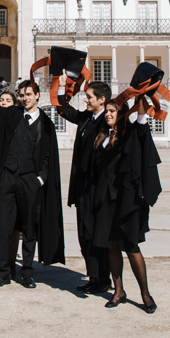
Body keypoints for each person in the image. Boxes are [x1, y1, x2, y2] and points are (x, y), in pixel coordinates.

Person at [0, 76, 65, 289]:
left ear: (37, 96)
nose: (25, 98)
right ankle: (3, 273)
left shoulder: (46, 123)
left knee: (29, 228)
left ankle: (27, 273)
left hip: (29, 180)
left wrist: (40, 179)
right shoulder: (12, 114)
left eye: (28, 95)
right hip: (7, 177)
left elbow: (47, 156)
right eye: (22, 95)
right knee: (4, 227)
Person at [91, 100, 160, 313]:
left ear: (121, 114)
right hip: (106, 200)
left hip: (126, 200)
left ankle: (145, 294)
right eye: (107, 111)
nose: (108, 114)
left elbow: (142, 120)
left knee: (131, 247)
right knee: (111, 245)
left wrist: (141, 96)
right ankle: (118, 291)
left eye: (112, 111)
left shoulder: (130, 134)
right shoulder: (102, 137)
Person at [59, 82, 113, 294]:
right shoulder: (86, 118)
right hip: (82, 186)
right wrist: (60, 85)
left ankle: (103, 277)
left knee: (96, 232)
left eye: (90, 97)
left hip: (97, 187)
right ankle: (93, 276)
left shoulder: (107, 121)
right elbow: (64, 110)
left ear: (102, 99)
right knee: (84, 232)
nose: (86, 100)